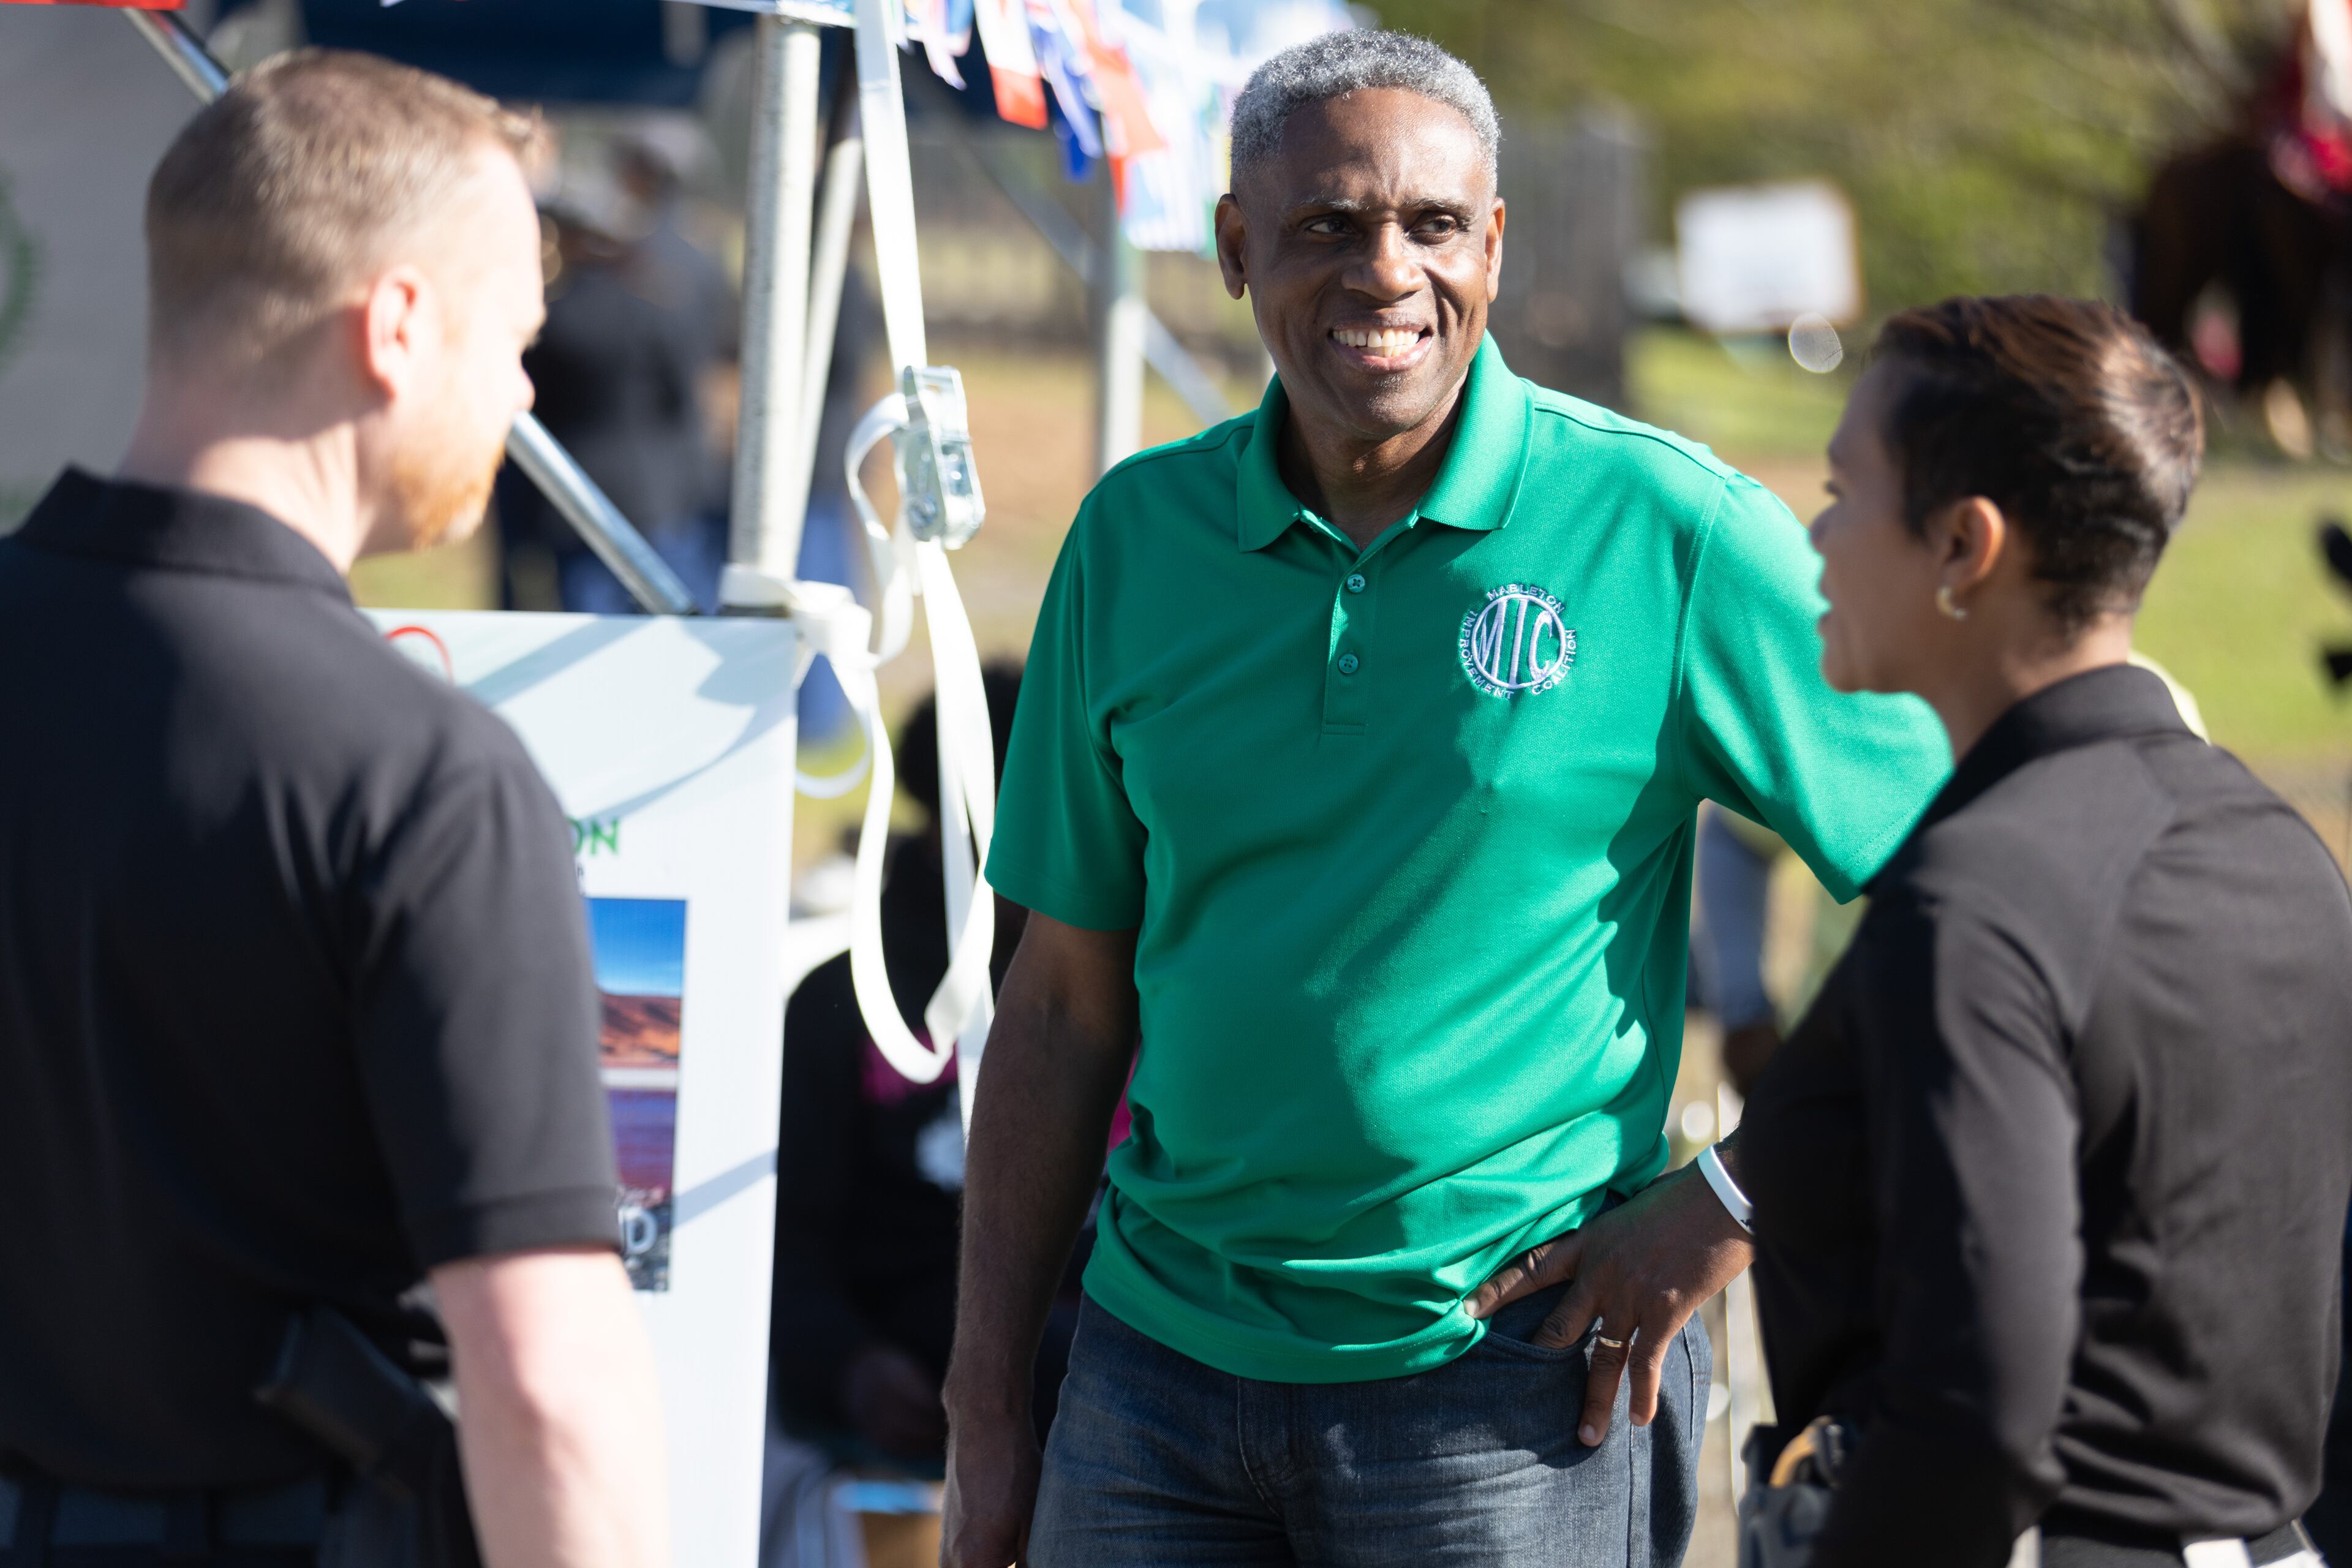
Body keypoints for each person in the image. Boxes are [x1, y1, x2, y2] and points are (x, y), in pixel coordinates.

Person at [943, 28, 1953, 1568]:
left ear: (1493, 243)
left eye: (1430, 225)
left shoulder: (1664, 530)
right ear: (1232, 249)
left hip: (1512, 1385)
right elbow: (1064, 1002)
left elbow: (1967, 888)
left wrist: (1738, 1192)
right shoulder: (1132, 543)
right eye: (1327, 227)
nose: (1385, 272)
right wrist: (988, 1403)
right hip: (1151, 1376)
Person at [0, 51, 668, 1568]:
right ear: (397, 329)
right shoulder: (421, 782)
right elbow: (547, 1385)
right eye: (513, 340)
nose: (520, 390)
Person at [1736, 295, 2352, 1568]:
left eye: (1847, 490)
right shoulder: (2276, 843)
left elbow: (1982, 1410)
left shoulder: (1975, 904)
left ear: (1965, 545)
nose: (1816, 533)